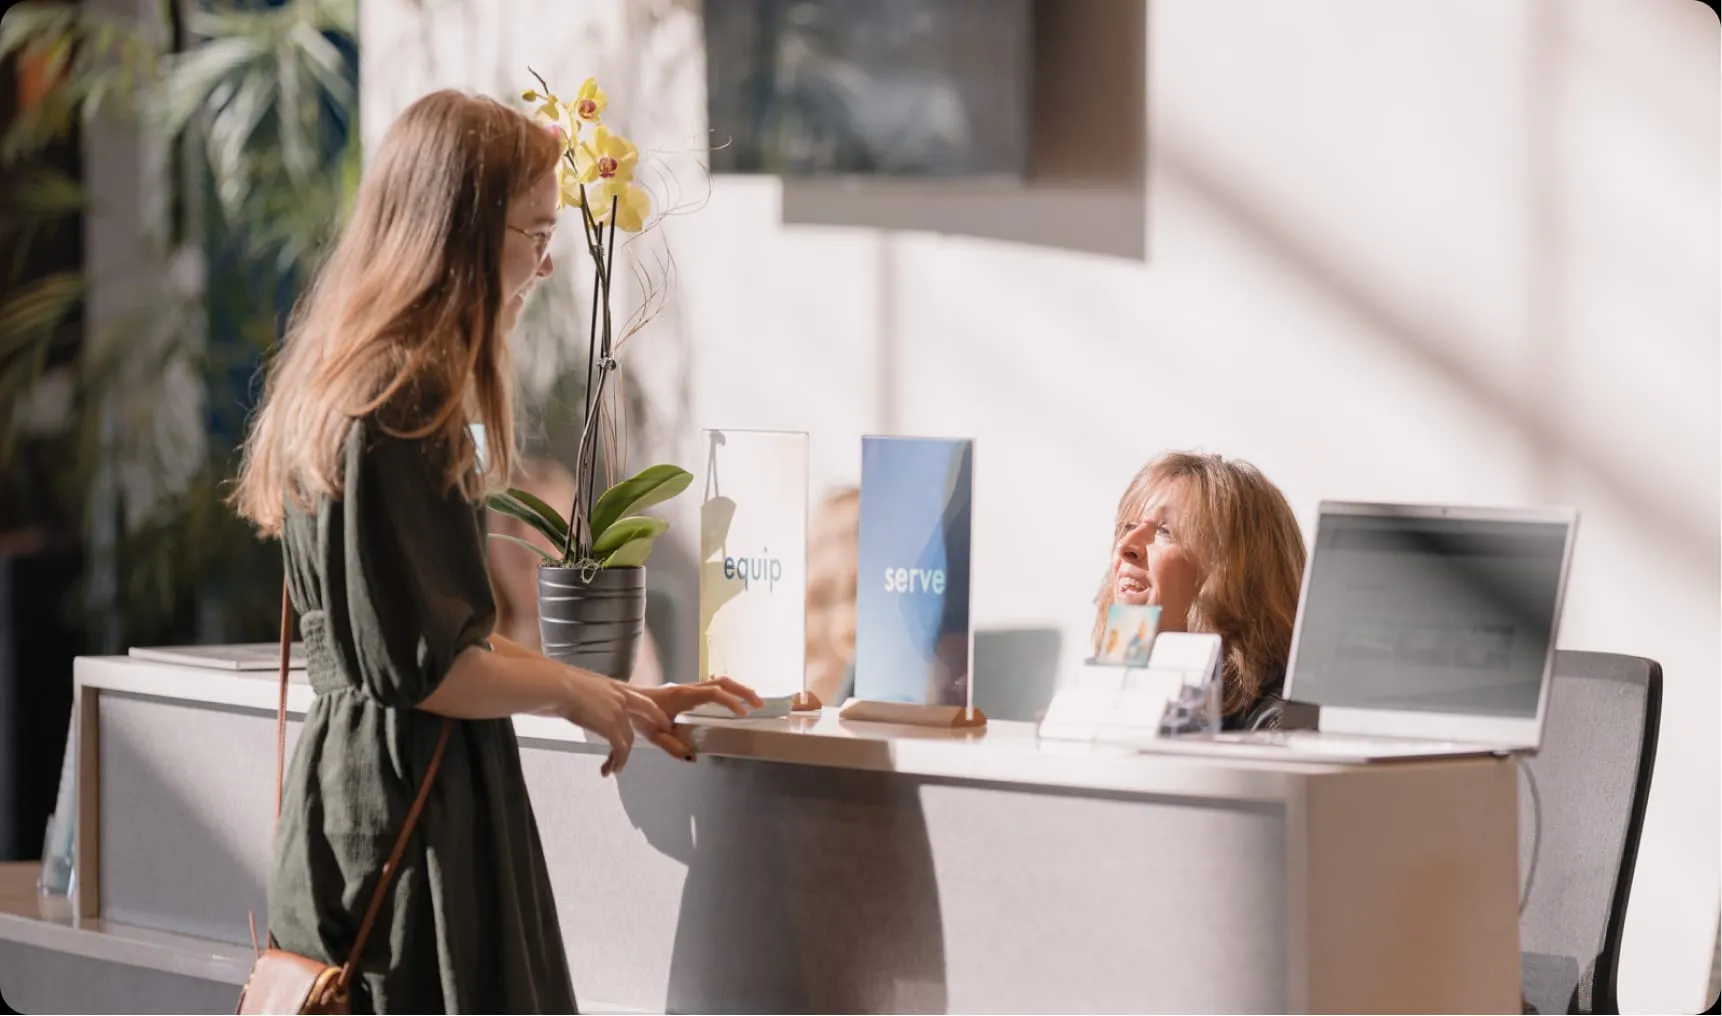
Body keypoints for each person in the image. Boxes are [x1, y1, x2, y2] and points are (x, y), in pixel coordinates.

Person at [230, 89, 760, 1012]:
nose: (547, 264)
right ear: (461, 229)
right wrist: (572, 688)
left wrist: (617, 694)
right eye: (532, 232)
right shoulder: (403, 401)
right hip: (411, 817)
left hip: (354, 810)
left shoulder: (352, 382)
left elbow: (428, 637)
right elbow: (427, 669)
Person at [1093, 451, 1306, 730]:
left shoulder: (1277, 729)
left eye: (1165, 531)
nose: (1126, 547)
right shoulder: (1103, 699)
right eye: (1128, 527)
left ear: (1233, 573)